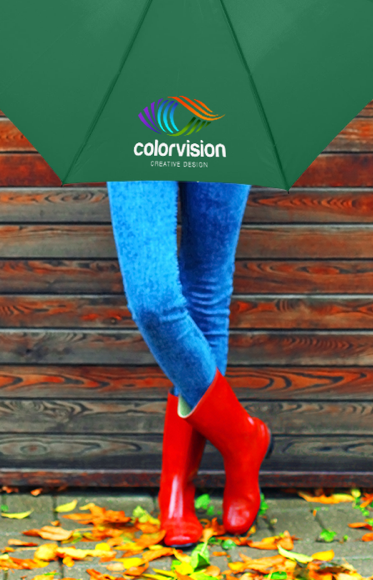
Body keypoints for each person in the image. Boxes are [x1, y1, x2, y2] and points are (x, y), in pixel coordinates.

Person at [107, 180, 272, 547]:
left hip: (226, 141)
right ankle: (243, 438)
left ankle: (178, 486)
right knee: (153, 303)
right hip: (135, 141)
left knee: (206, 292)